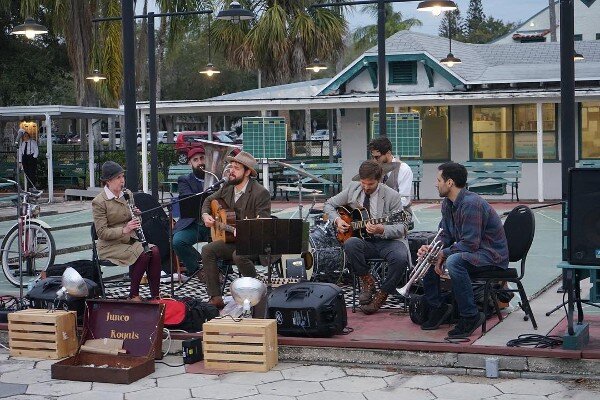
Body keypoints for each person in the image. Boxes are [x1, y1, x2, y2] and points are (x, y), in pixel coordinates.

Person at [418, 162, 509, 338]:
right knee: (429, 256)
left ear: (449, 182)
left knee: (454, 261)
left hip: (491, 256)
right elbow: (445, 235)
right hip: (473, 253)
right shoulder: (447, 204)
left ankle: (470, 316)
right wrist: (432, 249)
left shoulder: (471, 204)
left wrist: (443, 254)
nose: (436, 184)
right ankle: (438, 307)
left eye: (438, 180)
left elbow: (470, 244)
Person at [324, 160, 412, 314]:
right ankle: (367, 281)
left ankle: (382, 293)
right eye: (363, 183)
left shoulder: (392, 196)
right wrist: (337, 220)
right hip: (365, 242)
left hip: (388, 241)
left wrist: (381, 229)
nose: (365, 187)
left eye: (370, 184)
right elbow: (329, 205)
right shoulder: (353, 188)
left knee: (400, 258)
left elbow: (402, 227)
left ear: (379, 180)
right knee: (350, 243)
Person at [201, 151, 271, 309]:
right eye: (231, 166)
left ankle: (255, 293)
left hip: (254, 242)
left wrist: (246, 231)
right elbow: (208, 199)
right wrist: (206, 215)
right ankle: (215, 297)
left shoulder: (260, 193)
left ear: (247, 172)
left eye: (237, 168)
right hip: (233, 240)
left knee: (238, 255)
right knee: (207, 250)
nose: (231, 171)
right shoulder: (227, 187)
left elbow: (263, 224)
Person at [92, 161, 162, 301]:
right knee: (143, 254)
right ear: (108, 181)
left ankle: (155, 295)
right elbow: (101, 233)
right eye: (118, 178)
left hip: (129, 240)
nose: (122, 181)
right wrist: (125, 229)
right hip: (110, 245)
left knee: (154, 251)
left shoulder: (127, 194)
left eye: (122, 177)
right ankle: (133, 295)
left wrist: (137, 216)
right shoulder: (99, 202)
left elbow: (135, 222)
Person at [172, 147, 211, 279]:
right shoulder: (185, 180)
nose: (200, 162)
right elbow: (188, 198)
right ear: (190, 163)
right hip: (194, 223)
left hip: (215, 224)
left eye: (202, 158)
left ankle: (220, 271)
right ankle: (196, 270)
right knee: (178, 241)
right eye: (195, 160)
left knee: (223, 241)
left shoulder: (217, 177)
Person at [368, 136, 413, 207]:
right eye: (372, 157)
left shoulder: (403, 169)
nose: (374, 160)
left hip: (398, 213)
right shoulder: (374, 168)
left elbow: (405, 200)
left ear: (388, 153)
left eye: (377, 157)